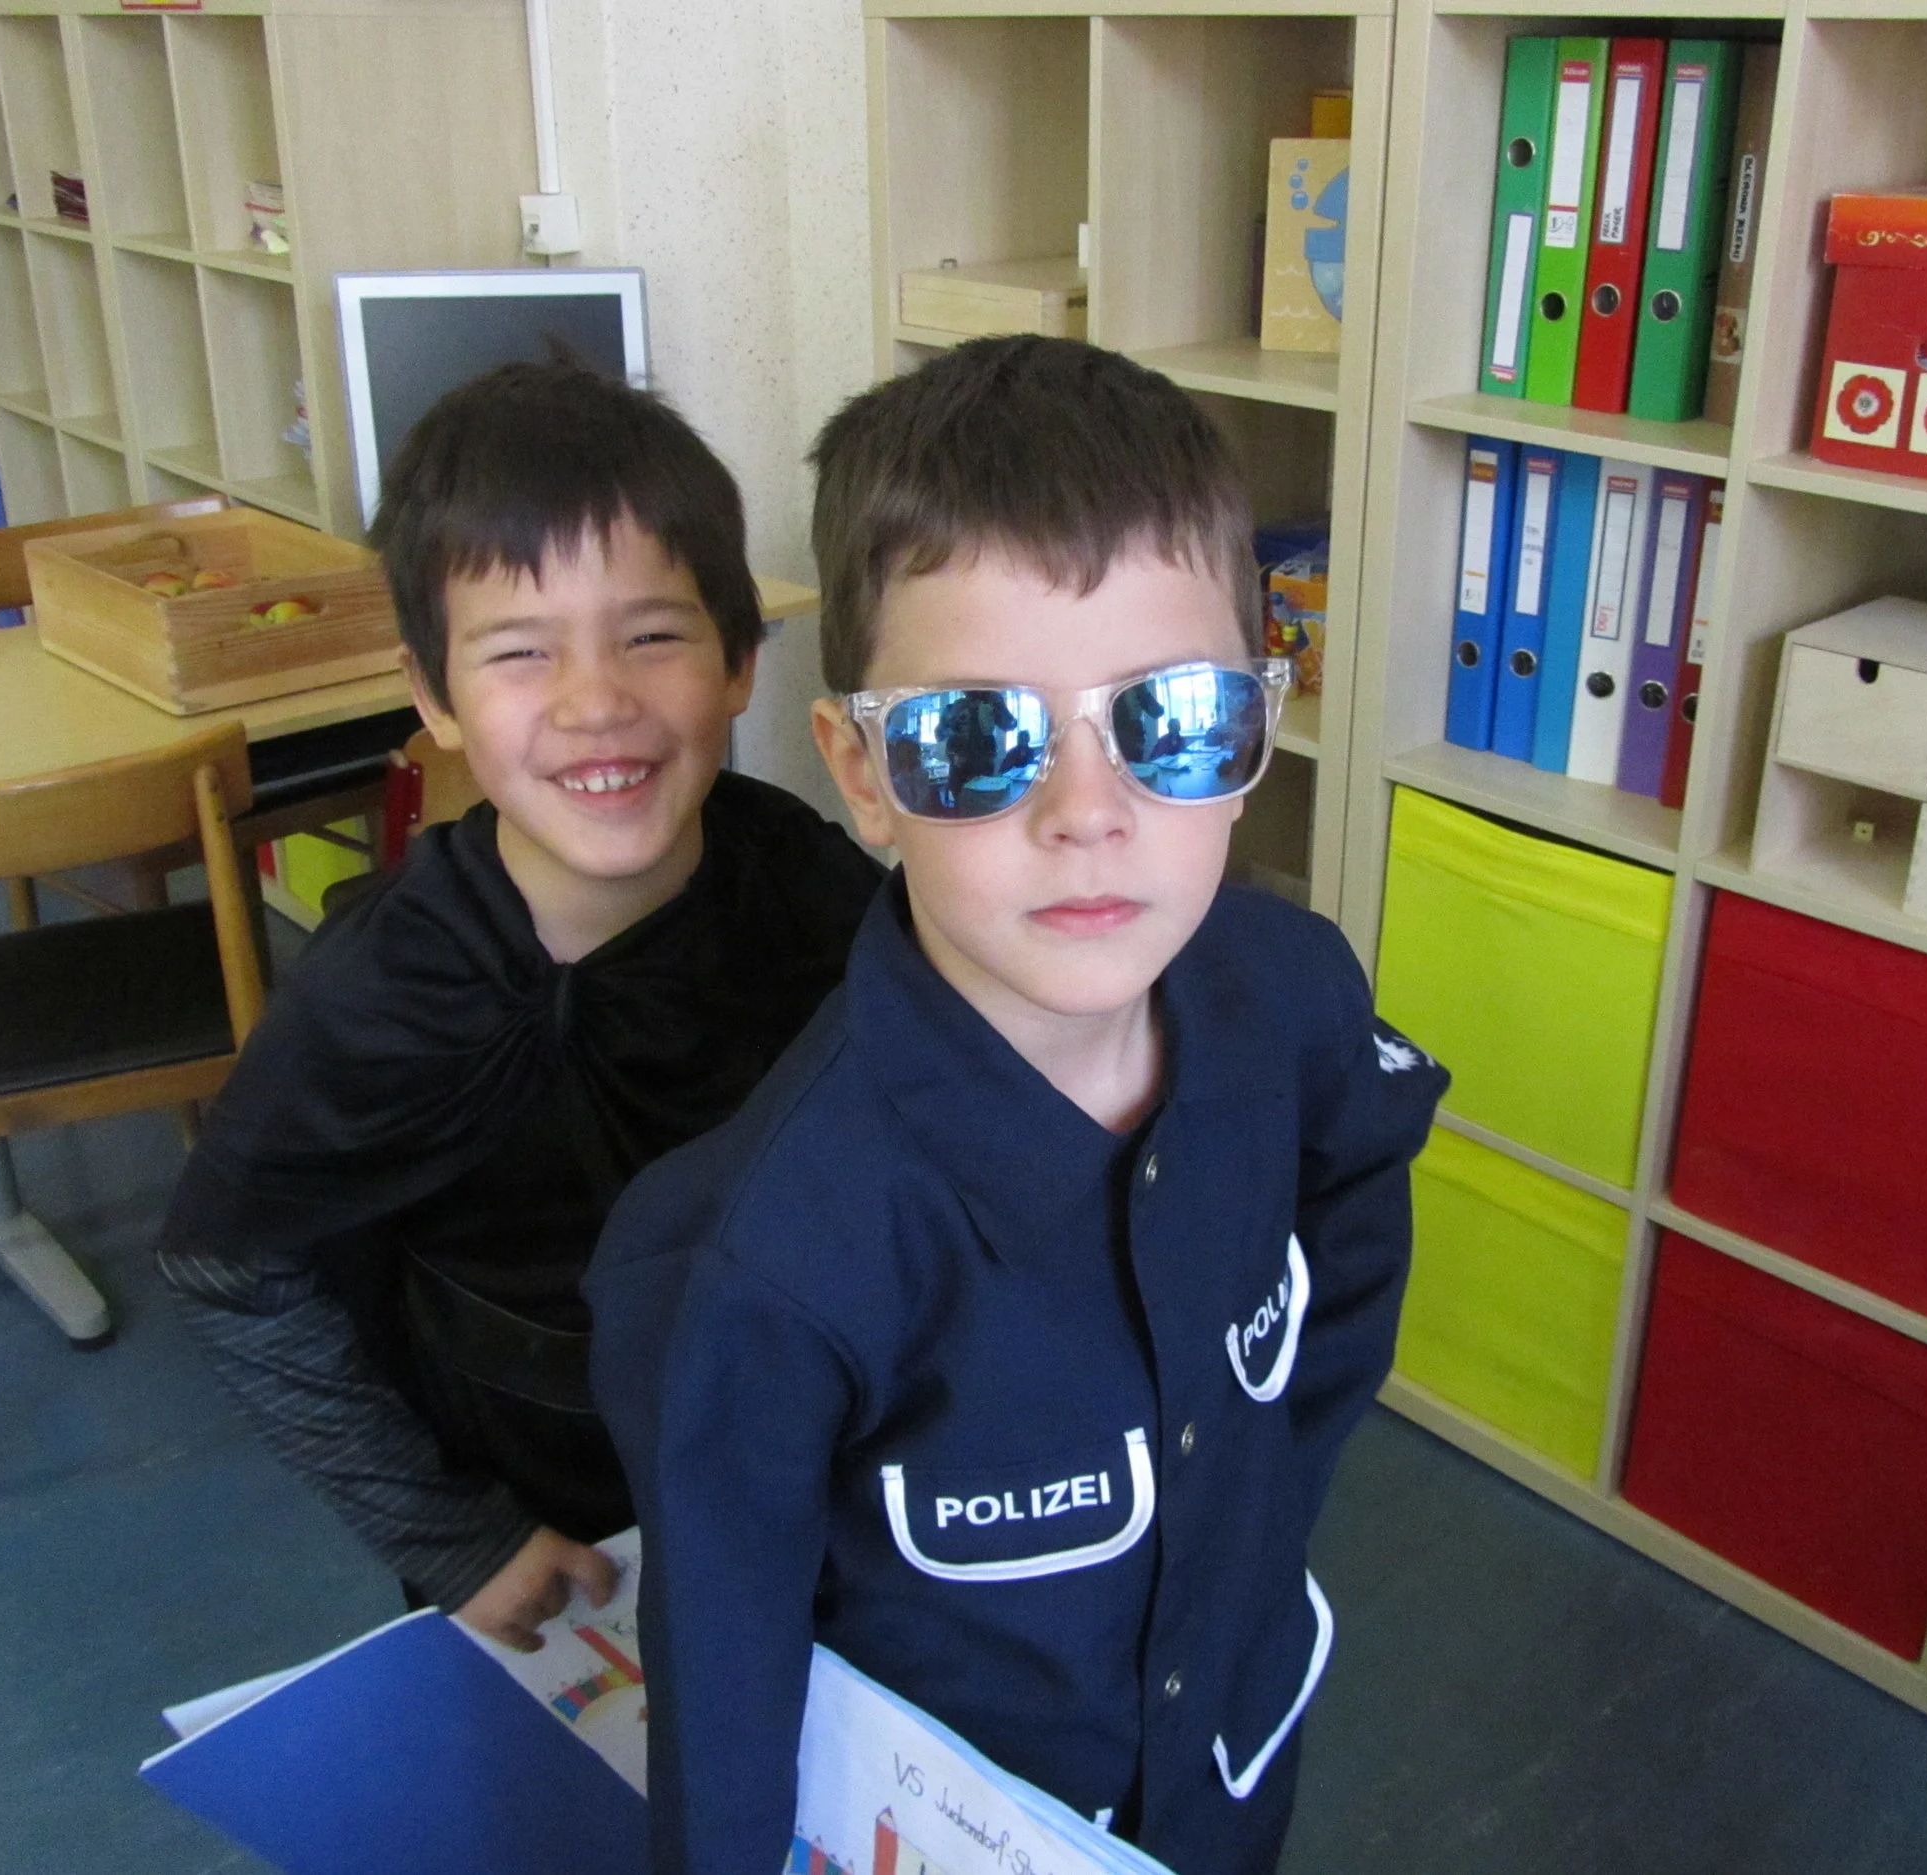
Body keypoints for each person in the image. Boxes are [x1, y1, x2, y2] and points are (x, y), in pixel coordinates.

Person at [588, 335, 1447, 1874]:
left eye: (1173, 717)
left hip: (1225, 1778)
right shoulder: (761, 1263)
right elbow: (724, 1698)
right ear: (863, 774)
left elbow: (1353, 1228)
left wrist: (1257, 1518)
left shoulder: (1293, 995)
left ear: (1254, 725)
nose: (1089, 813)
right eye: (978, 739)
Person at [157, 359, 882, 1649]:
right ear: (433, 698)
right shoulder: (382, 988)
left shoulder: (804, 880)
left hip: (801, 1475)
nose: (595, 702)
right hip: (552, 1538)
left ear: (739, 662)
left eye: (651, 636)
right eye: (519, 652)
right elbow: (229, 1261)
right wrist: (452, 1538)